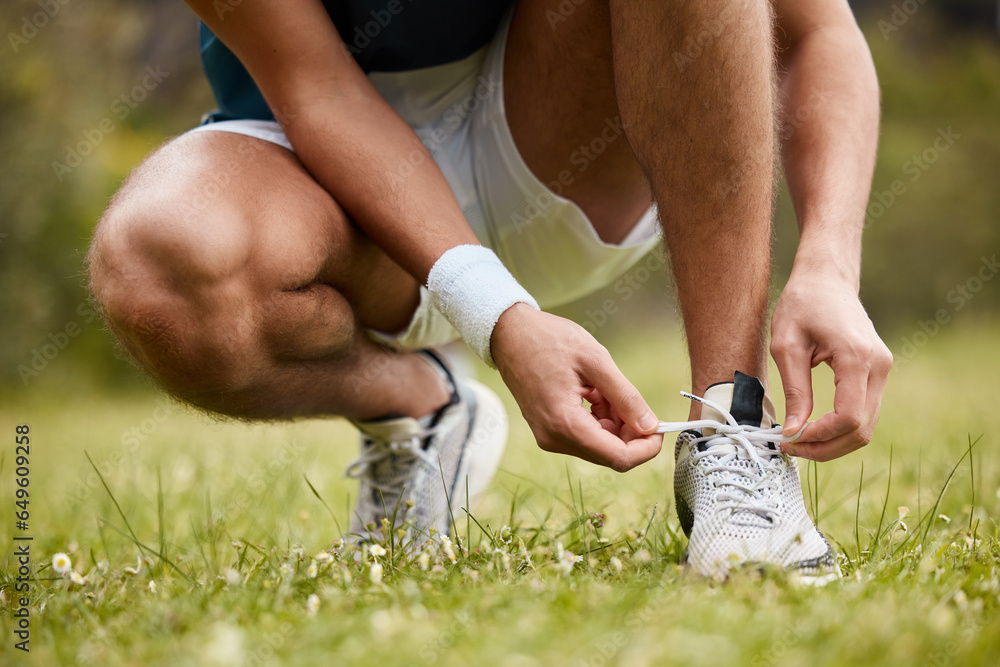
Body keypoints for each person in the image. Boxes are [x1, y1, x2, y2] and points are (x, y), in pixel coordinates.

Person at [87, 0, 892, 579]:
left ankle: (731, 425)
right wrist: (498, 316)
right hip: (324, 168)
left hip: (555, 139)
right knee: (156, 268)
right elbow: (320, 91)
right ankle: (420, 403)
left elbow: (819, 31)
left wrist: (828, 259)